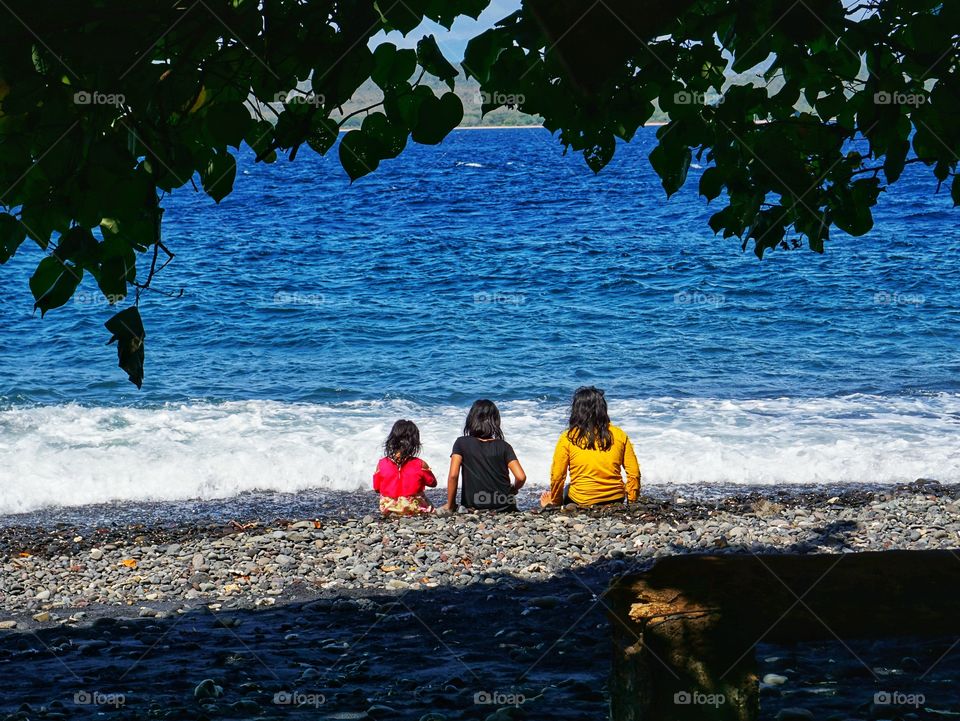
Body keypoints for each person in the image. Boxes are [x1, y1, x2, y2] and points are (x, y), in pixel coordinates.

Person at [541, 386, 640, 508]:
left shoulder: (568, 437)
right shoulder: (619, 434)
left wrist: (555, 502)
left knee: (567, 488)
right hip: (616, 498)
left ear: (576, 410)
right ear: (603, 409)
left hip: (582, 499)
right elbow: (634, 473)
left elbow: (557, 475)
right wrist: (632, 501)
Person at [443, 399, 526, 512]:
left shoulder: (461, 443)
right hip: (505, 505)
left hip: (475, 506)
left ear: (471, 419)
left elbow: (453, 475)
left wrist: (451, 505)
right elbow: (521, 477)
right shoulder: (504, 446)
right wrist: (514, 489)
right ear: (495, 421)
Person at [373, 419, 437, 516]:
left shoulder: (381, 464)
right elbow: (432, 483)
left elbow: (377, 489)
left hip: (389, 508)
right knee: (429, 506)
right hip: (414, 508)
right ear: (414, 442)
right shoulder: (420, 464)